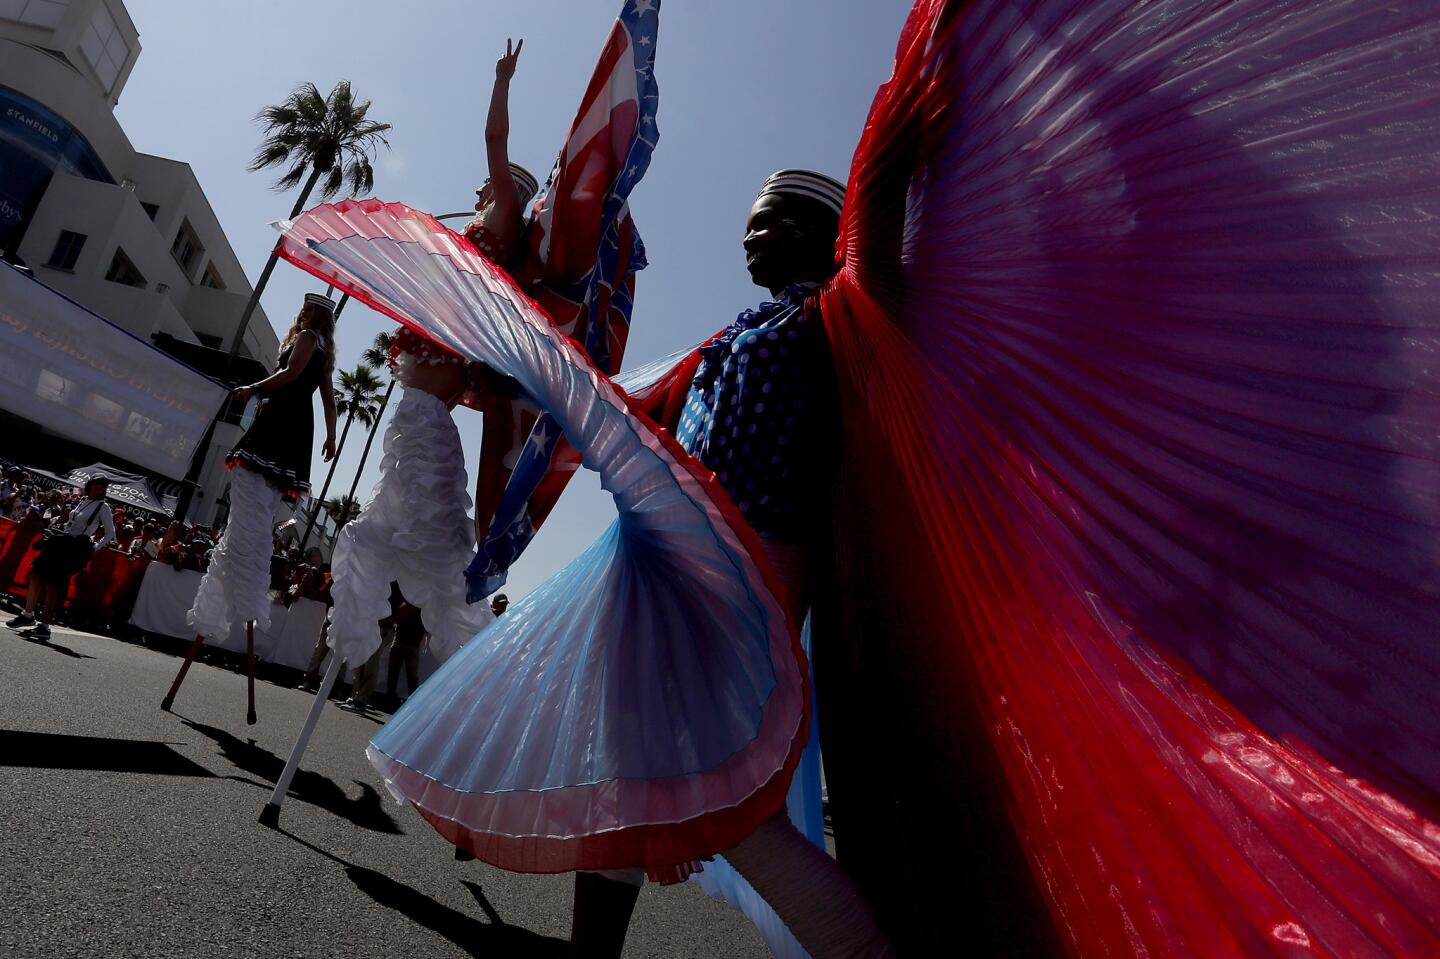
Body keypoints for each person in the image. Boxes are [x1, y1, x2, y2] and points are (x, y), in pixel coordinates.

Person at [319, 41, 533, 677]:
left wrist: (501, 82)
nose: (476, 191)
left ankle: (472, 674)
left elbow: (495, 140)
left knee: (430, 548)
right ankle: (364, 646)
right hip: (416, 410)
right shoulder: (466, 254)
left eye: (487, 188)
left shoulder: (501, 223)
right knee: (372, 531)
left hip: (427, 411)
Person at [185, 294, 337, 645]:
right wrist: (330, 436)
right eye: (306, 306)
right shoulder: (324, 349)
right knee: (259, 506)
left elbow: (293, 373)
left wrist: (254, 388)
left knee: (251, 501)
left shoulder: (309, 338)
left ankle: (241, 588)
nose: (306, 312)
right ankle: (245, 590)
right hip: (297, 424)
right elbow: (327, 399)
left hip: (281, 419)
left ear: (321, 318)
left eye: (312, 309)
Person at [7, 476, 115, 641]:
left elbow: (110, 534)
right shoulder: (83, 500)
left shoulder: (103, 507)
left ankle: (44, 627)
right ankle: (28, 615)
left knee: (53, 585)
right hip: (61, 541)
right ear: (90, 485)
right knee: (36, 574)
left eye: (103, 487)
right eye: (98, 485)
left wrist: (94, 546)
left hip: (73, 548)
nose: (100, 489)